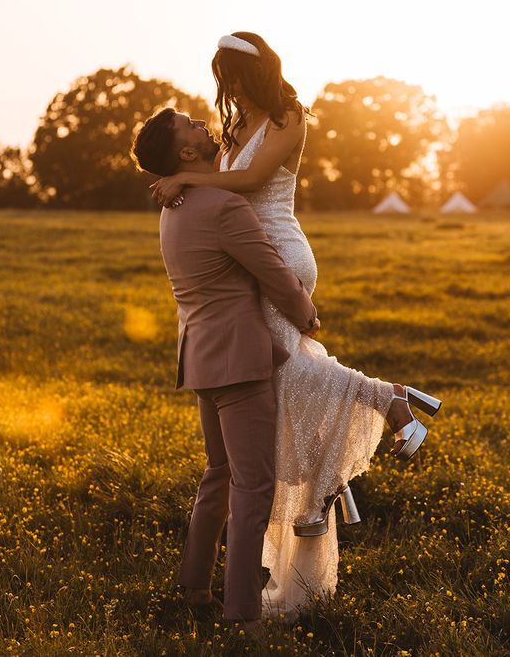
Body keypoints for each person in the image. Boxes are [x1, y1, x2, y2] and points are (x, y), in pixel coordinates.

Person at [140, 32, 442, 619]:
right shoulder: (234, 126)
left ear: (250, 73)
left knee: (281, 373)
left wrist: (189, 180)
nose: (221, 89)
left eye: (228, 74)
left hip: (277, 250)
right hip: (245, 252)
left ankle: (381, 408)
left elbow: (252, 186)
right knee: (283, 376)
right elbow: (226, 186)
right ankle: (334, 474)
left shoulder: (287, 117)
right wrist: (192, 181)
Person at [130, 106, 320, 635]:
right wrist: (305, 312)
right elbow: (270, 268)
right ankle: (244, 615)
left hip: (200, 357)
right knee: (253, 486)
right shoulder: (222, 205)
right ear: (186, 153)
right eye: (191, 125)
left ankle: (194, 585)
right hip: (240, 362)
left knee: (217, 474)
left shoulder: (174, 206)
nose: (202, 124)